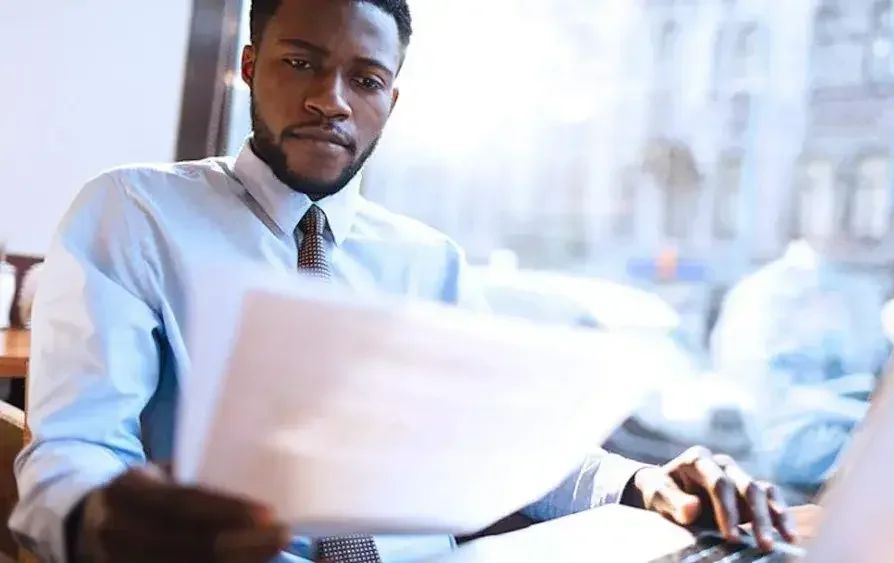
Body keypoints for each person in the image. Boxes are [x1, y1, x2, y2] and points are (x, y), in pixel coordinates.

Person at [10, 1, 795, 562]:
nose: (331, 100)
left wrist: (644, 481)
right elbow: (76, 445)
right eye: (301, 63)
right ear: (250, 68)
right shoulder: (135, 209)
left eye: (366, 78)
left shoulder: (429, 258)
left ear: (392, 98)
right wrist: (94, 520)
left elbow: (497, 444)